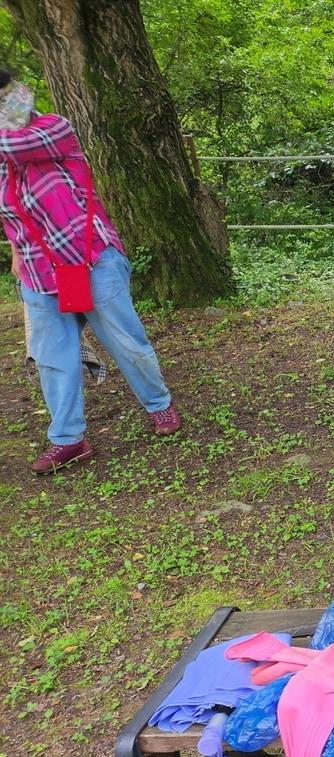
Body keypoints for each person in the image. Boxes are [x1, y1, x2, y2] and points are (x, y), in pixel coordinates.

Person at [0, 70, 181, 474]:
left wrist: (12, 98)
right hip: (37, 272)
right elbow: (10, 212)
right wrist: (15, 251)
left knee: (126, 342)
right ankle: (68, 439)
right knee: (53, 358)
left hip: (91, 258)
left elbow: (12, 143)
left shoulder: (53, 130)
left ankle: (159, 405)